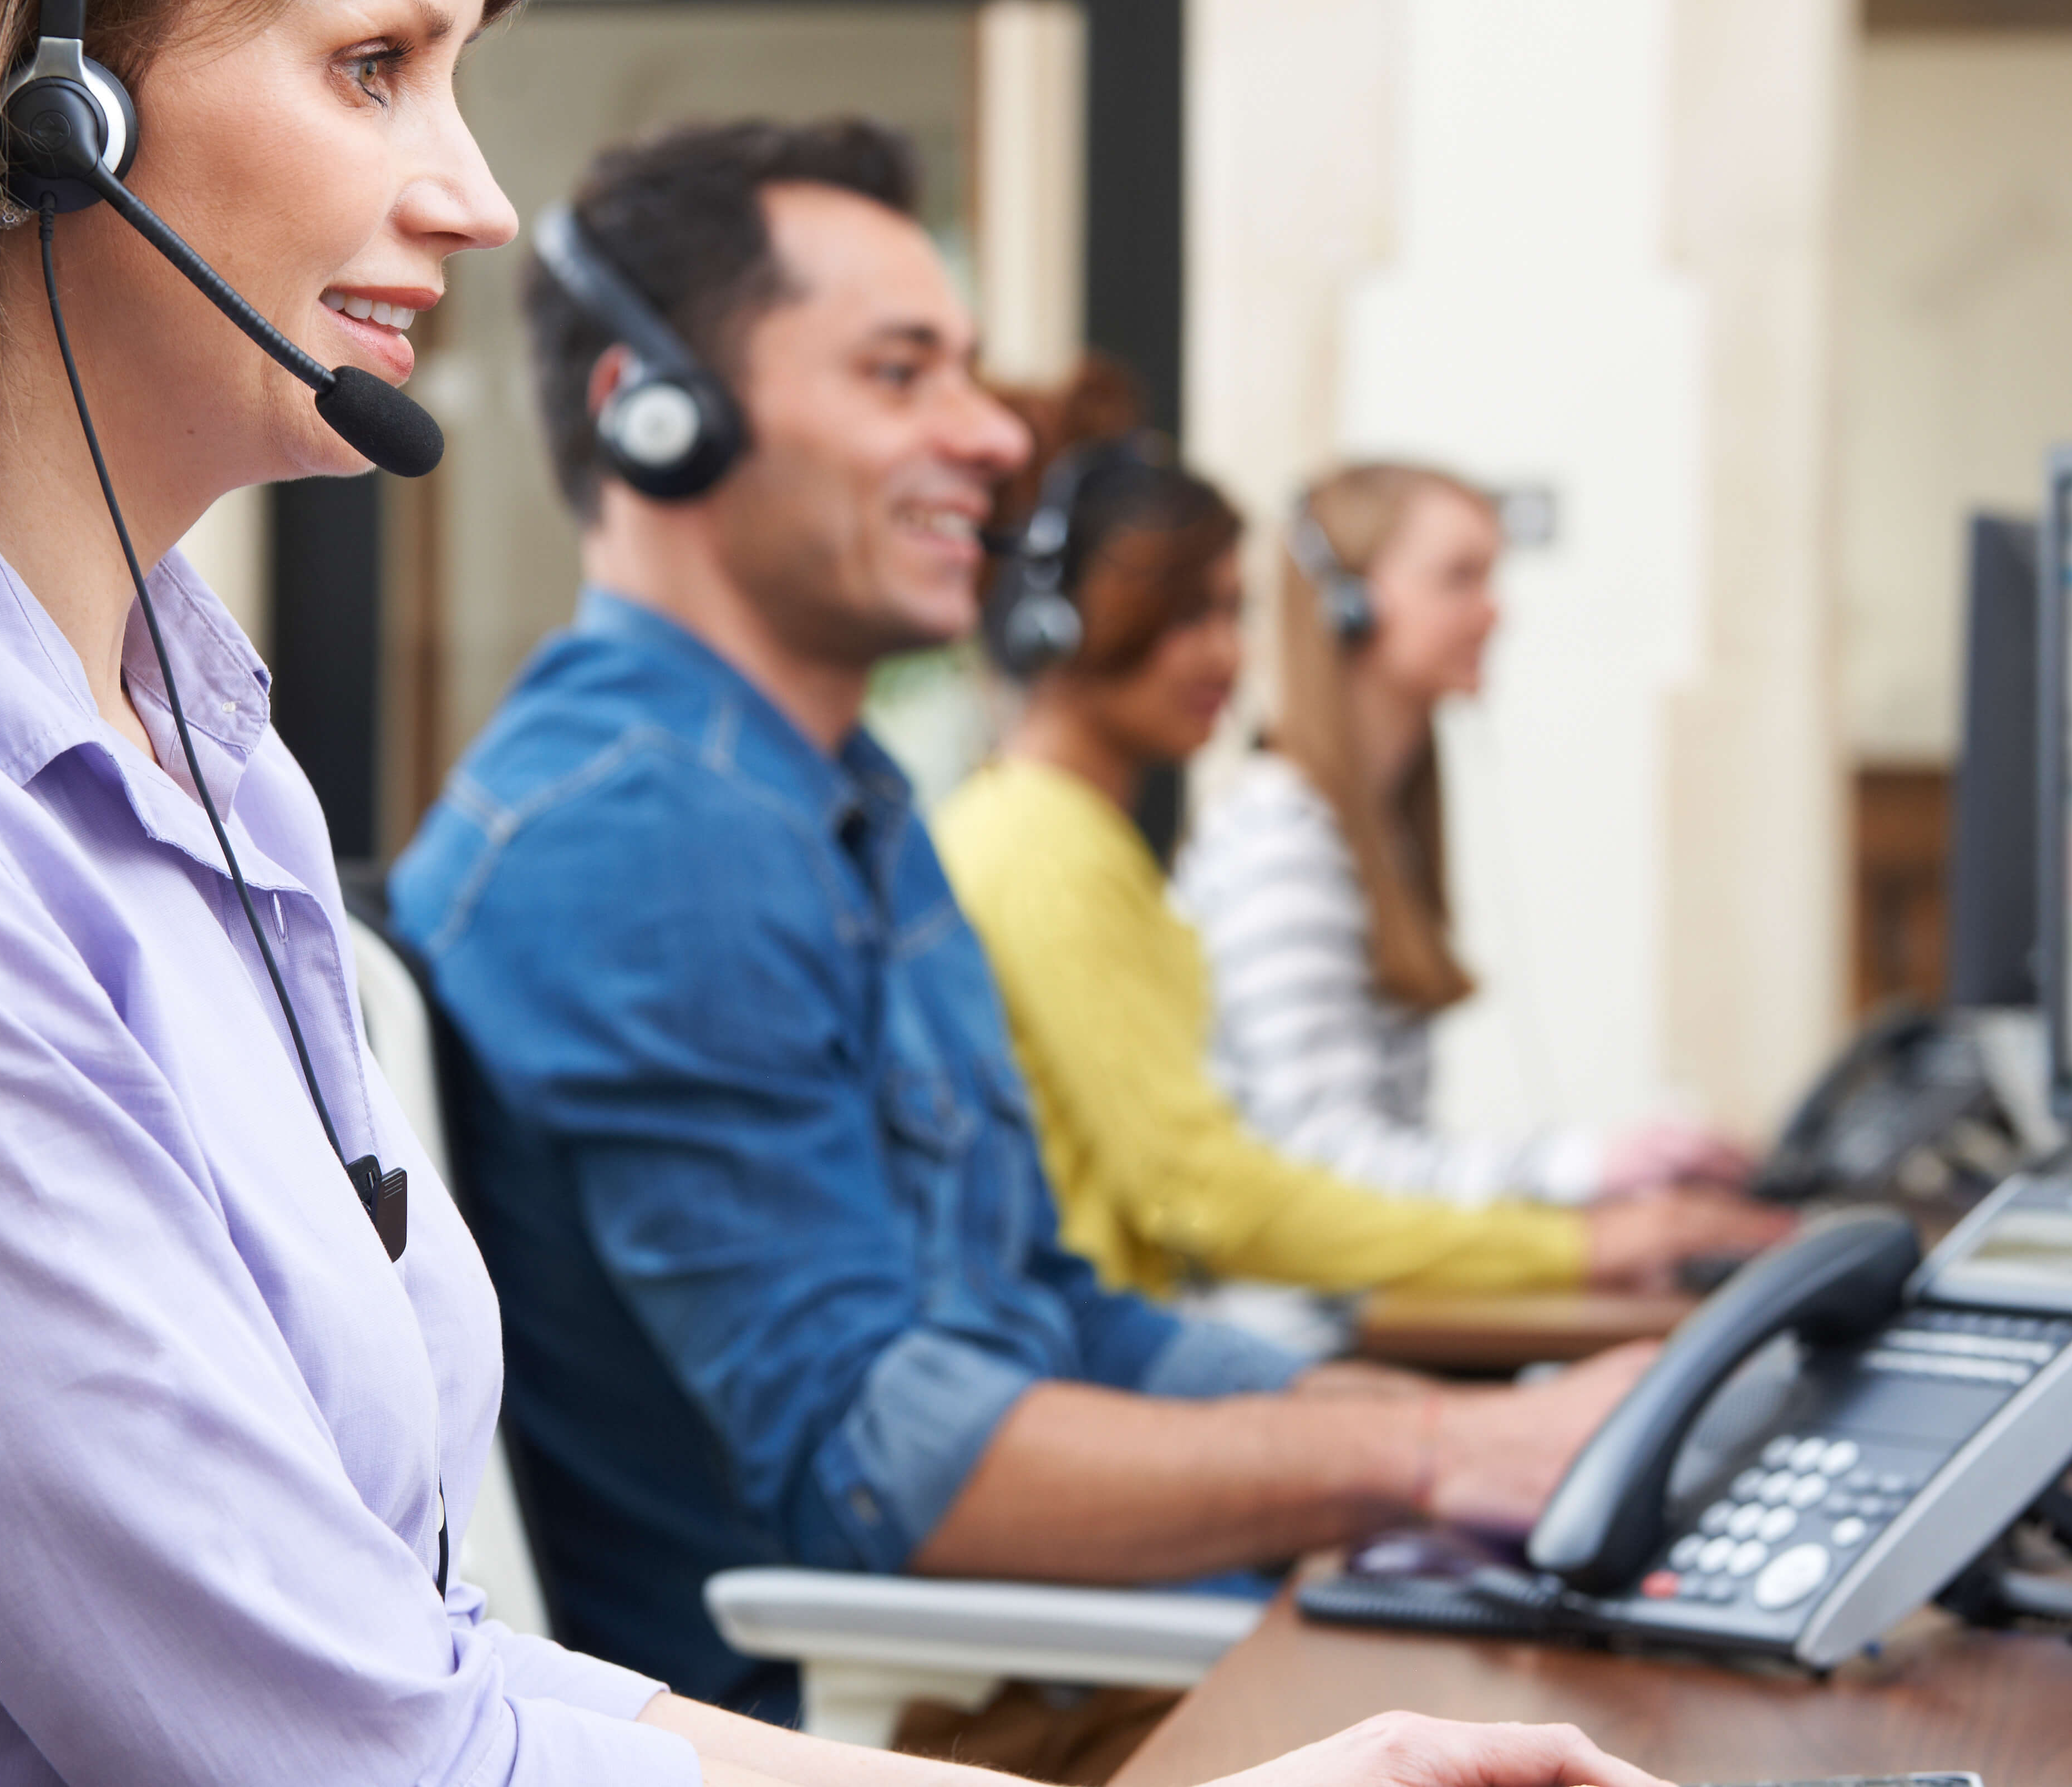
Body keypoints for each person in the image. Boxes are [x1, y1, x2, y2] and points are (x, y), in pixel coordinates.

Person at [0, 0, 1666, 1787]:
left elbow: (412, 1666)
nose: (471, 195)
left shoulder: (204, 754)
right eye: (375, 65)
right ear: (40, 109)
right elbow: (350, 1752)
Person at [389, 118, 1672, 1742]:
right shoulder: (644, 834)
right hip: (885, 1711)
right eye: (900, 372)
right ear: (655, 420)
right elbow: (871, 1460)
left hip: (1010, 1650)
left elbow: (1056, 1315)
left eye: (970, 372)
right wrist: (1426, 1457)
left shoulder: (834, 798)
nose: (991, 437)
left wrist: (1470, 1424)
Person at [936, 445, 1791, 1333]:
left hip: (1140, 1332)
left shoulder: (1076, 838)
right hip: (1139, 1340)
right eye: (1194, 613)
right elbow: (1212, 1194)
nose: (1230, 655)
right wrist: (1574, 1226)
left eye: (1237, 612)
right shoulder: (1064, 849)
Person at [1173, 463, 1756, 1209]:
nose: (1496, 614)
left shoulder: (1373, 829)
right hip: (1301, 1323)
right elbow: (1319, 1162)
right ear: (1348, 608)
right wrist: (1576, 1171)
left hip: (1376, 1306)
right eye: (1460, 578)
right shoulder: (1282, 840)